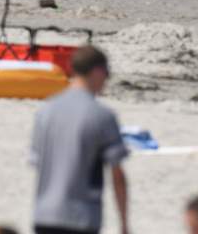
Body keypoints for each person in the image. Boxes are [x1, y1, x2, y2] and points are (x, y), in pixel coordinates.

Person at [30, 46, 129, 234]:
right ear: (98, 71)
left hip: (44, 214)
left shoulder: (45, 112)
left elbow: (36, 162)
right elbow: (117, 175)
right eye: (107, 74)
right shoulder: (102, 116)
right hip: (81, 216)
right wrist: (124, 223)